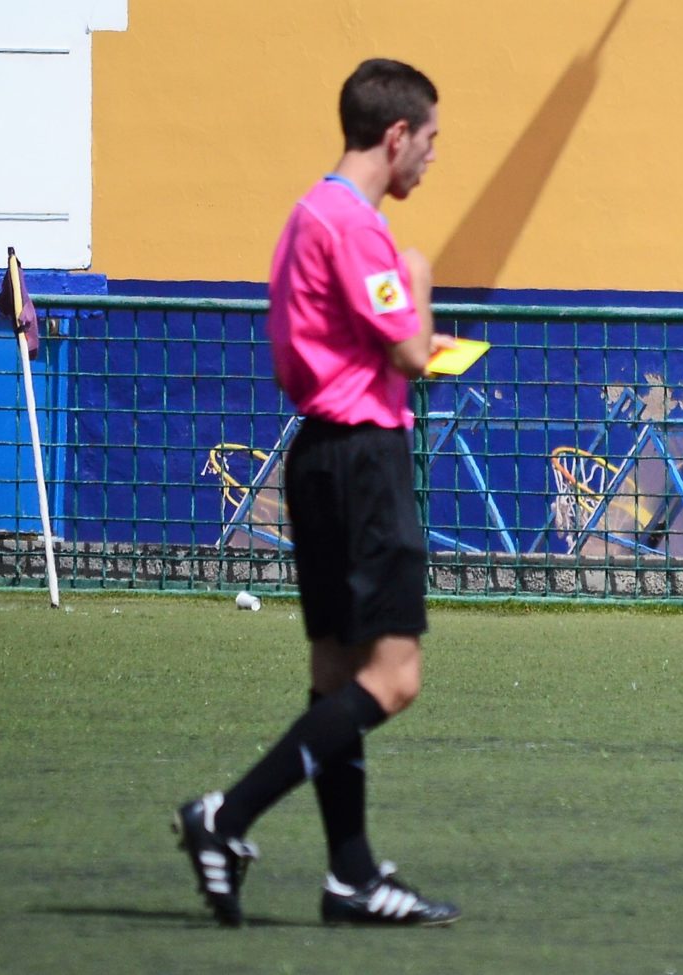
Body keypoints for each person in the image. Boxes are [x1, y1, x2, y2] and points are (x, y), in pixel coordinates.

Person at [174, 58, 459, 928]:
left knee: (336, 674)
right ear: (396, 134)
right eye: (431, 140)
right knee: (394, 678)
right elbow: (408, 351)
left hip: (321, 456)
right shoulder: (358, 227)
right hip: (362, 459)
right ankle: (226, 816)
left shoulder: (307, 215)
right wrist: (419, 275)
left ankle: (351, 876)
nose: (433, 158)